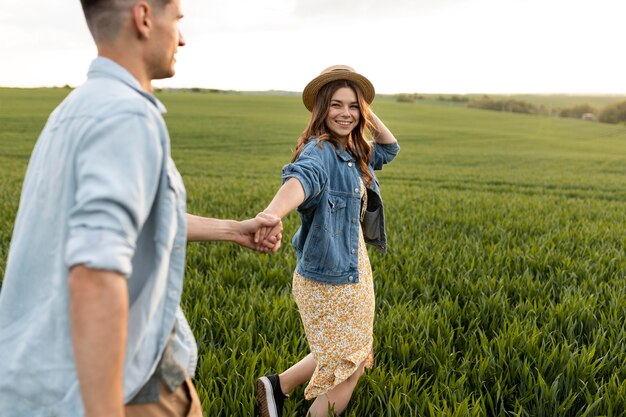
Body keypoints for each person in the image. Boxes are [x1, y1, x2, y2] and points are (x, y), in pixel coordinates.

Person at [0, 1, 281, 416]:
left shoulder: (72, 111)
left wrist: (233, 230)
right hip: (126, 394)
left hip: (50, 383)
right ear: (144, 17)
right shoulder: (125, 115)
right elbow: (95, 275)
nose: (182, 37)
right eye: (178, 20)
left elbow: (137, 222)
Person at [254, 65, 400, 417]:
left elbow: (390, 147)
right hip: (328, 280)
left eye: (353, 106)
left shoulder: (353, 151)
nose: (345, 113)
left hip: (353, 269)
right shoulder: (319, 153)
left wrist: (361, 111)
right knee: (348, 369)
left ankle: (278, 386)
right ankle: (284, 390)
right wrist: (272, 213)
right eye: (336, 105)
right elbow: (300, 180)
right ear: (321, 109)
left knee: (352, 352)